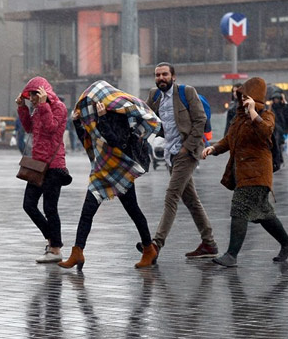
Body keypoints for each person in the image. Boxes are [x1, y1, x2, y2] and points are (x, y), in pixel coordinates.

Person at [58, 81, 161, 270]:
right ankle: (77, 252)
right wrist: (77, 122)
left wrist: (104, 118)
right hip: (102, 169)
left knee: (133, 210)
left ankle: (148, 249)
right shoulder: (94, 115)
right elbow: (89, 139)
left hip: (120, 169)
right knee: (87, 211)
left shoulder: (116, 114)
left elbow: (117, 142)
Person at [202, 77, 288, 267]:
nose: (243, 100)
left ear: (256, 98)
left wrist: (254, 111)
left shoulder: (266, 115)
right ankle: (287, 244)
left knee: (239, 209)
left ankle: (231, 255)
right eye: (241, 97)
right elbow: (229, 139)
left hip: (257, 173)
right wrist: (213, 149)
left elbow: (266, 132)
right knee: (264, 214)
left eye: (247, 97)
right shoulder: (239, 117)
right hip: (243, 173)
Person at [144, 62, 218, 258]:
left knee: (171, 196)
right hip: (170, 154)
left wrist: (187, 148)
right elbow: (145, 116)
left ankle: (155, 245)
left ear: (173, 76)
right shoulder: (154, 96)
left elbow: (200, 120)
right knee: (191, 200)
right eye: (158, 75)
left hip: (186, 152)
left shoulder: (187, 92)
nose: (161, 78)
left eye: (165, 74)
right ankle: (209, 243)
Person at [16, 76, 70, 263]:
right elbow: (29, 128)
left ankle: (55, 250)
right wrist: (23, 108)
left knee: (50, 208)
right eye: (29, 95)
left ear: (43, 92)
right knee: (28, 205)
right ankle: (53, 240)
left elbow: (51, 128)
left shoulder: (59, 107)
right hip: (38, 165)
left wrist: (43, 105)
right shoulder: (37, 109)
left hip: (54, 166)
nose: (31, 98)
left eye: (34, 94)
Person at [270, 92, 288, 166]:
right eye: (275, 99)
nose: (276, 100)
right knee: (277, 143)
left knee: (279, 144)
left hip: (282, 127)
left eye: (277, 99)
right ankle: (279, 159)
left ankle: (279, 159)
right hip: (275, 128)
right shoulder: (272, 108)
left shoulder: (284, 107)